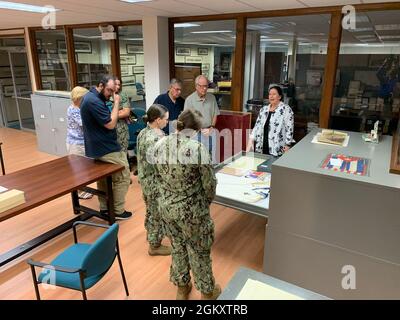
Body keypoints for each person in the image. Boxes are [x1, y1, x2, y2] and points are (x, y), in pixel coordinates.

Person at [153, 109, 221, 300]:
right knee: (199, 250)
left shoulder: (159, 144)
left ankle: (182, 288)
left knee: (177, 246)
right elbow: (209, 184)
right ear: (196, 130)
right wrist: (203, 203)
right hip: (192, 212)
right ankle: (207, 293)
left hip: (166, 208)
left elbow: (157, 176)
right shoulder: (197, 149)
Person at [80, 75, 132, 220]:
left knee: (104, 178)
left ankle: (104, 207)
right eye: (109, 90)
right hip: (106, 148)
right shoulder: (94, 101)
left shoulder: (91, 97)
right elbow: (110, 124)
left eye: (114, 91)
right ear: (101, 85)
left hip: (97, 147)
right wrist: (116, 103)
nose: (111, 94)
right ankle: (118, 210)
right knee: (123, 176)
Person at [137, 104, 171, 256]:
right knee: (156, 213)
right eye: (166, 119)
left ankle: (151, 234)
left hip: (146, 179)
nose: (167, 122)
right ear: (157, 120)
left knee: (150, 210)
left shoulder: (144, 132)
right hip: (154, 182)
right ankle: (154, 245)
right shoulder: (154, 139)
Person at [246, 85, 294, 156]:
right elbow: (257, 126)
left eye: (274, 94)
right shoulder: (264, 109)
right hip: (263, 144)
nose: (271, 96)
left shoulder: (286, 110)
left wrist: (287, 144)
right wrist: (251, 139)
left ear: (280, 97)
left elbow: (290, 128)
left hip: (278, 147)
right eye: (270, 94)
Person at [184, 75, 220, 163]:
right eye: (201, 86)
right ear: (196, 86)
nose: (204, 89)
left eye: (206, 86)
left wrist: (211, 128)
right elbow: (187, 120)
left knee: (212, 158)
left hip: (210, 131)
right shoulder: (189, 100)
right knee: (197, 159)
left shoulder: (212, 98)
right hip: (196, 134)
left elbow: (215, 114)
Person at [66, 86, 92, 199]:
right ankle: (80, 192)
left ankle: (83, 189)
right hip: (75, 143)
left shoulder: (79, 108)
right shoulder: (73, 110)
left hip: (82, 142)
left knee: (83, 168)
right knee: (79, 169)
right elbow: (84, 124)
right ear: (79, 98)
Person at [107, 78, 131, 155]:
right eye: (115, 84)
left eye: (119, 84)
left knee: (122, 153)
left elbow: (126, 113)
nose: (117, 87)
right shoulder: (105, 95)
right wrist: (119, 111)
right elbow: (102, 113)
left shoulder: (123, 95)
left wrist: (110, 115)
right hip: (109, 129)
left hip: (121, 129)